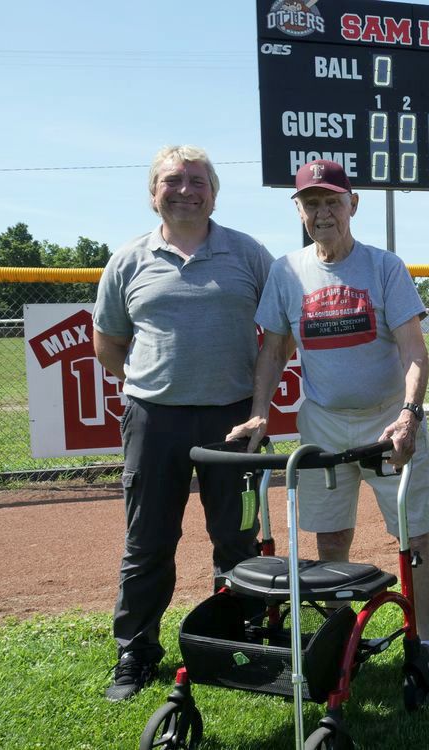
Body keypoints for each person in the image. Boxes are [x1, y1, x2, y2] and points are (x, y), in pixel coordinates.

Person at [226, 159, 429, 676]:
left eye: (332, 201)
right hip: (323, 422)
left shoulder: (383, 267)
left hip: (389, 420)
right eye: (311, 203)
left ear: (353, 204)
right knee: (329, 541)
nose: (322, 212)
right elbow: (274, 349)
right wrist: (260, 413)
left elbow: (415, 350)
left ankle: (426, 646)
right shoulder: (287, 271)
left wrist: (410, 415)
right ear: (299, 210)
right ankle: (339, 647)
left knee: (414, 536)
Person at [93, 145, 274, 701]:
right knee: (147, 542)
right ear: (154, 193)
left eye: (198, 181)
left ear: (214, 193)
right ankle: (137, 652)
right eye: (173, 181)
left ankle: (237, 643)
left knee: (238, 540)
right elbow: (108, 345)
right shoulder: (128, 261)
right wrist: (159, 382)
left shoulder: (248, 254)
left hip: (233, 421)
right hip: (154, 420)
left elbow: (279, 333)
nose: (186, 190)